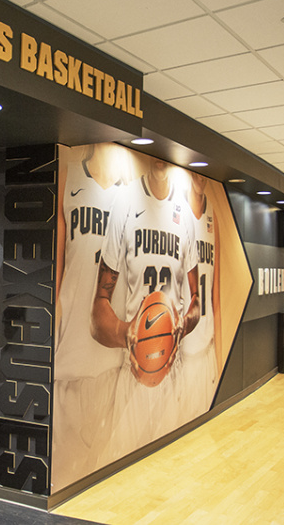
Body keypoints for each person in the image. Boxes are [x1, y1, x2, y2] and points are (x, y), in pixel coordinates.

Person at [91, 157, 200, 454]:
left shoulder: (185, 215)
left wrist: (183, 324)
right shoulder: (125, 201)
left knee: (177, 465)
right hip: (134, 371)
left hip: (174, 368)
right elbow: (98, 307)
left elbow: (197, 302)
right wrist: (126, 332)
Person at [51, 142, 131, 491]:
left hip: (114, 362)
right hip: (71, 357)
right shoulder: (69, 180)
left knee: (104, 479)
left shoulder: (130, 192)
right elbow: (55, 270)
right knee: (64, 474)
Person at [171, 170, 221, 423]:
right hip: (184, 351)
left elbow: (216, 299)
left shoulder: (212, 218)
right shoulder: (175, 213)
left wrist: (221, 358)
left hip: (208, 345)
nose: (200, 177)